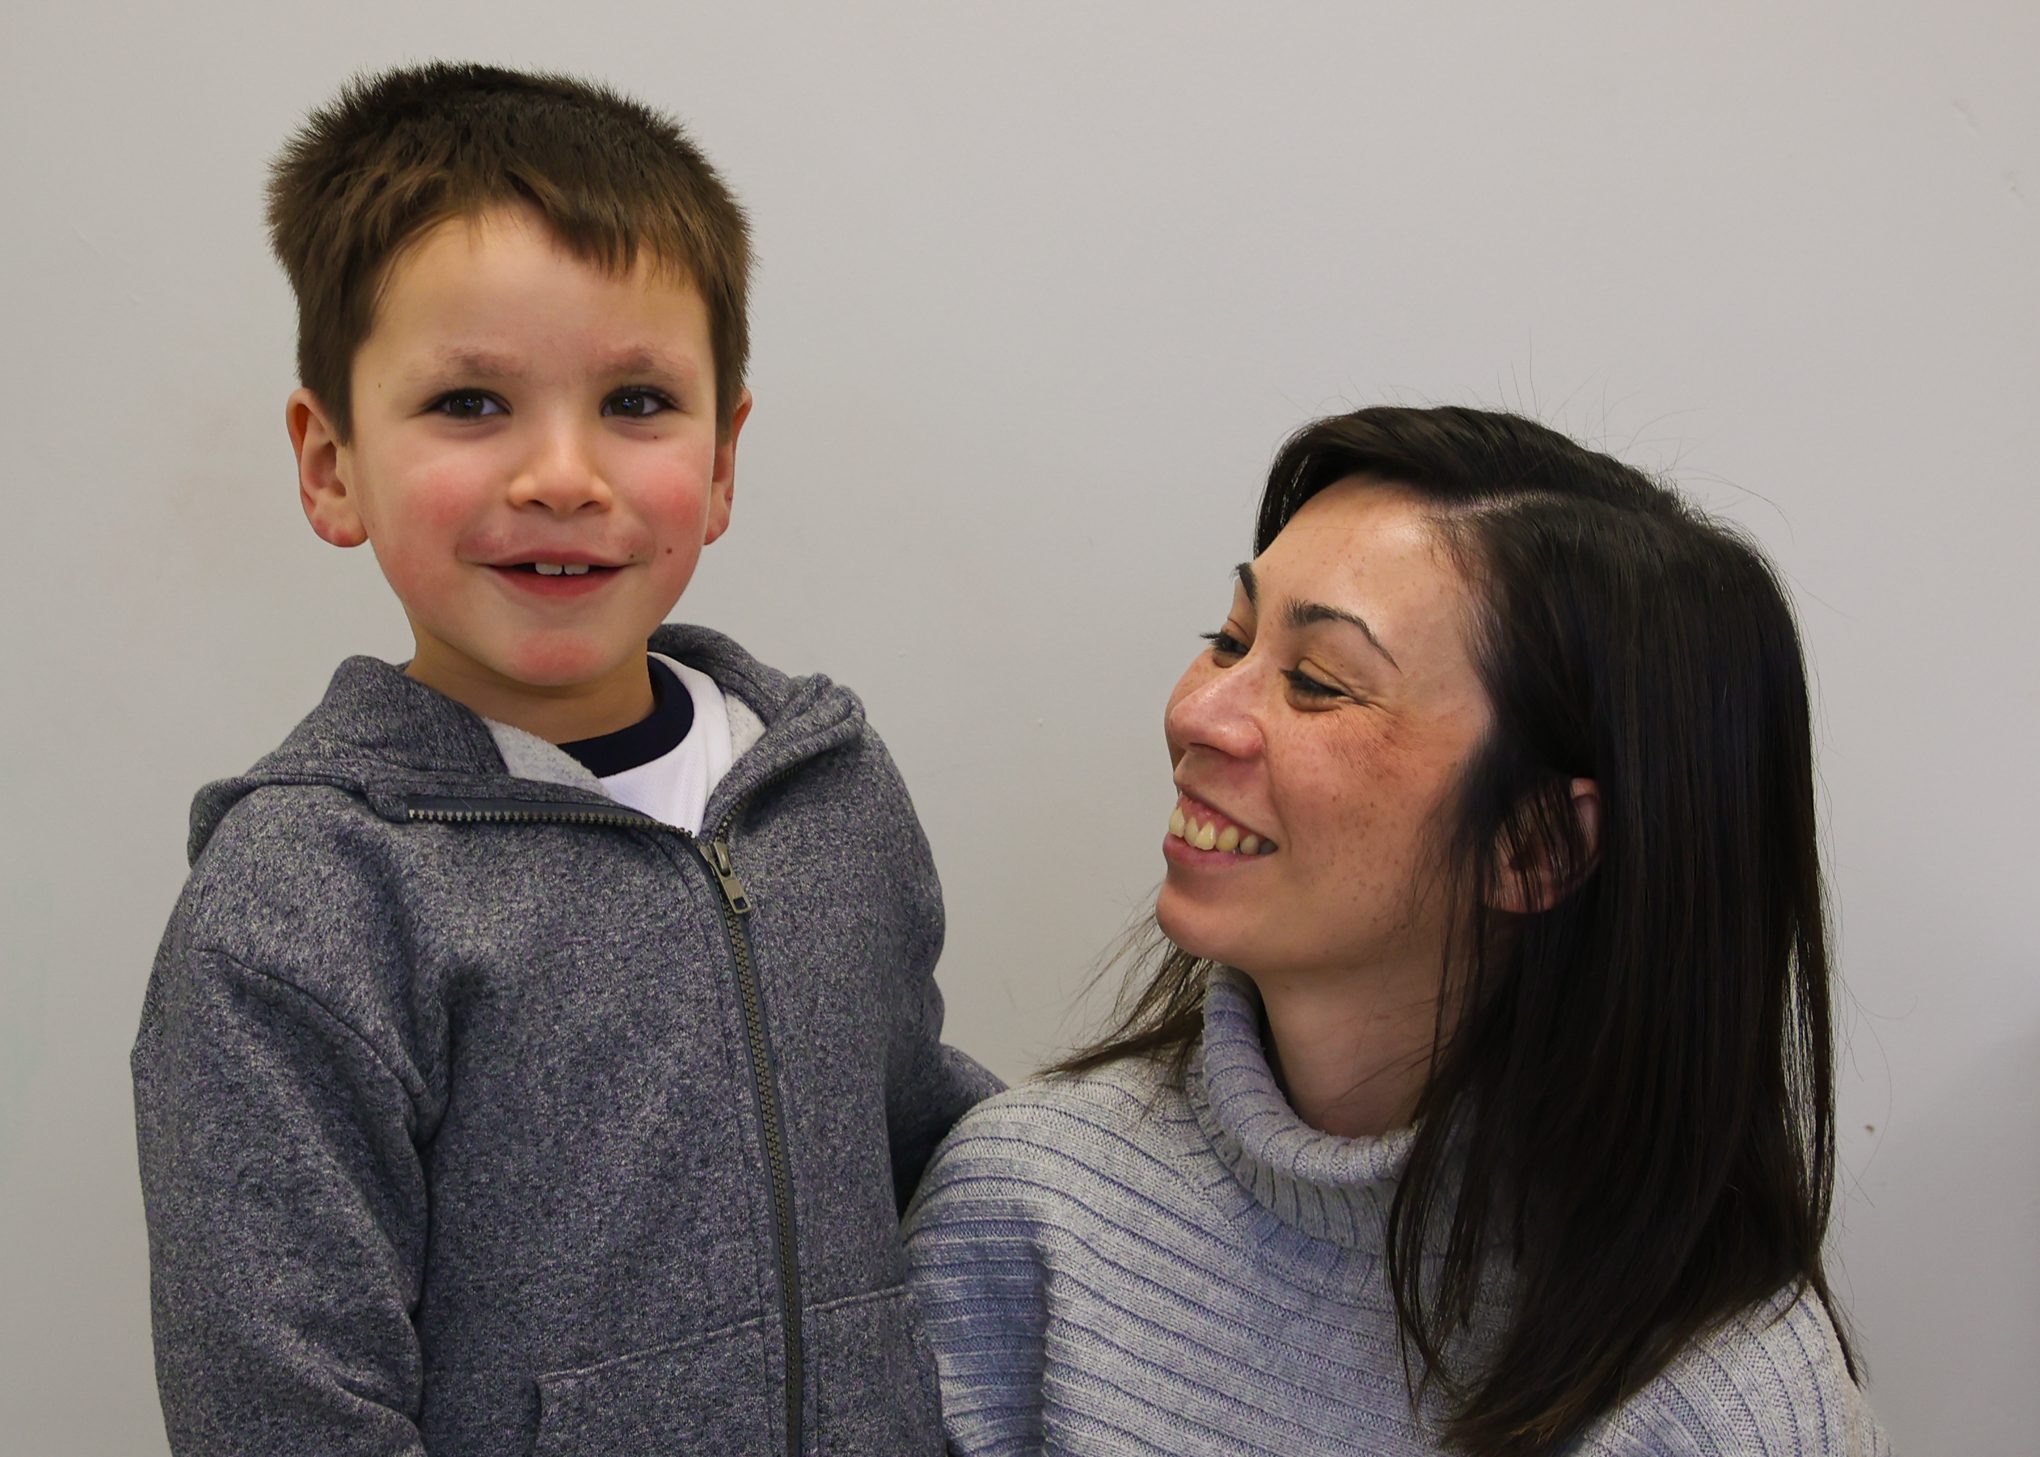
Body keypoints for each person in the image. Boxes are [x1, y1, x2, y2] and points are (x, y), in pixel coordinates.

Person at [131, 62, 995, 1457]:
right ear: (330, 460)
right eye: (471, 403)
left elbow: (923, 1150)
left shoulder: (829, 793)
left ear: (724, 458)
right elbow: (280, 1409)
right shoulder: (302, 906)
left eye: (639, 402)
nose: (562, 474)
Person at [904, 406, 1890, 1455]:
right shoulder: (1028, 1206)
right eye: (1229, 639)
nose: (1198, 713)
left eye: (1318, 682)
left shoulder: (1723, 1397)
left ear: (1540, 844)